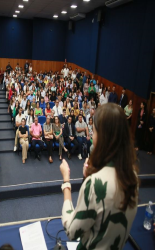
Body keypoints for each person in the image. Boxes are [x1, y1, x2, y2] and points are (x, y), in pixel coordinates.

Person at [60, 103, 138, 249]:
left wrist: (66, 182)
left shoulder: (96, 184)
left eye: (94, 132)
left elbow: (71, 231)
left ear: (102, 137)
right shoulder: (132, 175)